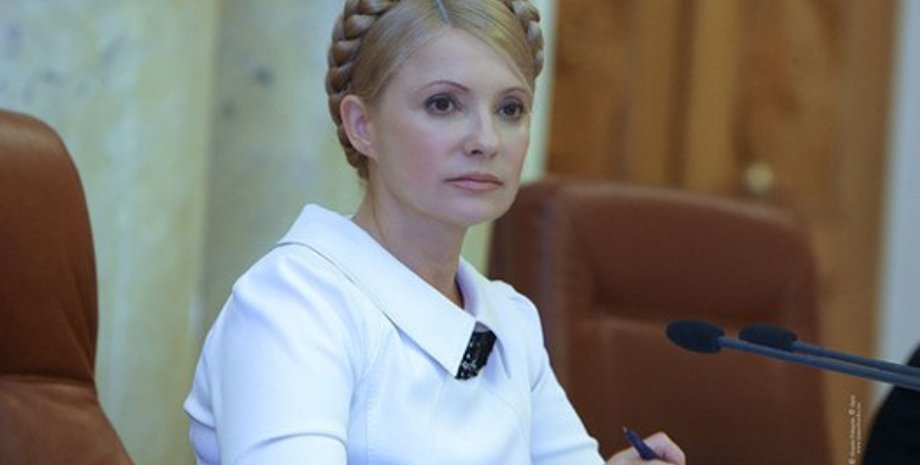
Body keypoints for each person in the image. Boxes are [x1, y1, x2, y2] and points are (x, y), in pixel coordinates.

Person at [183, 1, 686, 464]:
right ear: (361, 125)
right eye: (444, 104)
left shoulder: (509, 319)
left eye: (510, 109)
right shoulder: (292, 304)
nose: (486, 140)